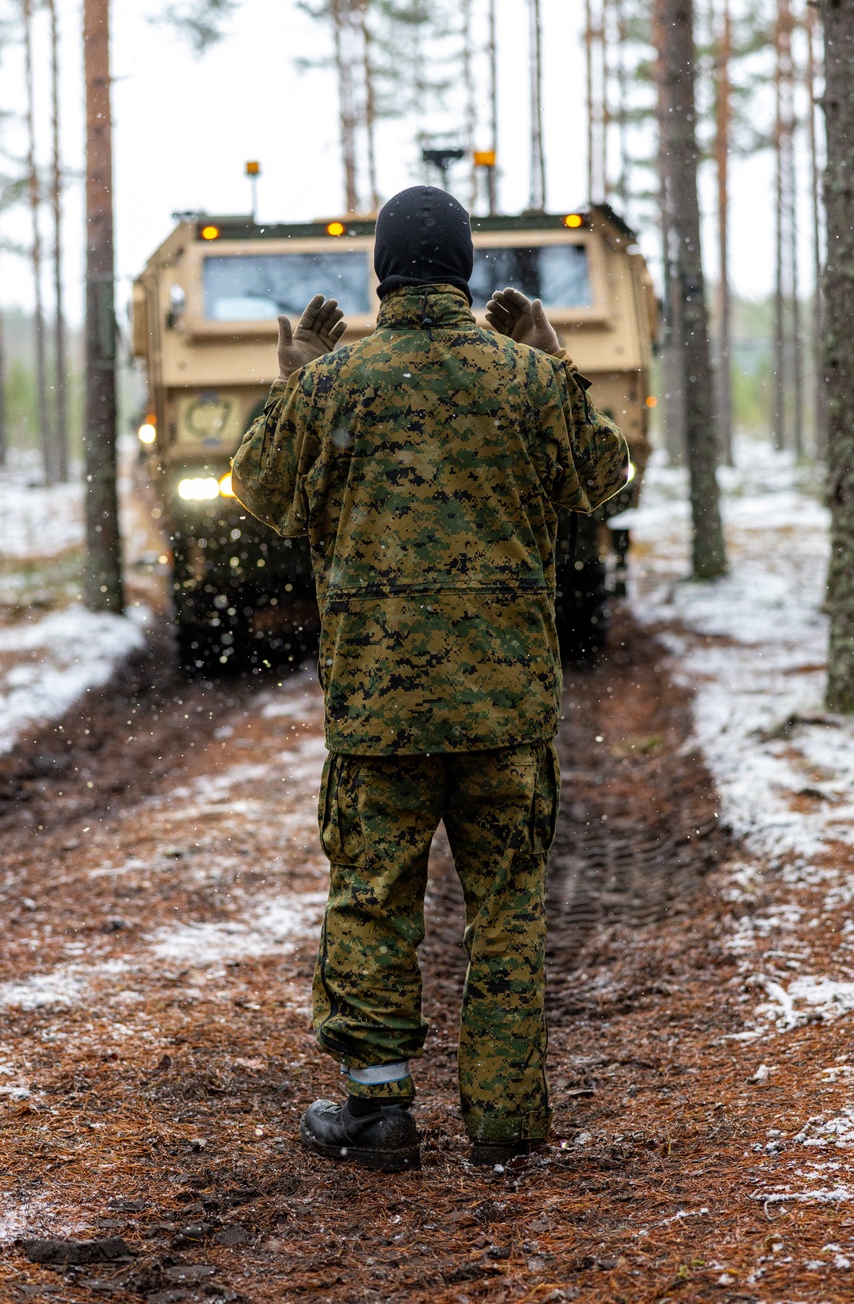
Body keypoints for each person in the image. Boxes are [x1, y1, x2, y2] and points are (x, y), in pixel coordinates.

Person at [231, 185, 628, 1172]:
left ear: (380, 272)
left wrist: (296, 380)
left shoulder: (334, 386)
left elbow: (257, 490)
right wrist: (551, 361)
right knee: (506, 904)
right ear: (461, 269)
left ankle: (375, 1115)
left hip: (381, 712)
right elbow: (605, 478)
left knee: (372, 897)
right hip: (505, 707)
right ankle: (503, 1122)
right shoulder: (525, 383)